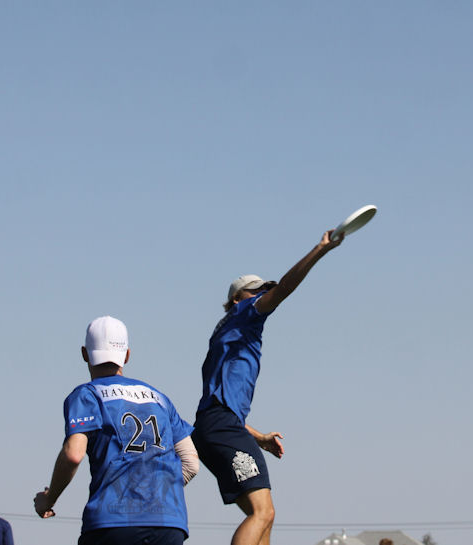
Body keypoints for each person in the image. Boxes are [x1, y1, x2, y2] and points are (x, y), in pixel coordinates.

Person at [194, 228, 344, 545]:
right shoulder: (244, 313)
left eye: (264, 291)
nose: (263, 295)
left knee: (264, 516)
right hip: (221, 427)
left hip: (214, 428)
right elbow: (285, 288)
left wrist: (258, 437)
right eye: (256, 292)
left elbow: (217, 408)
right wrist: (320, 250)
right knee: (263, 513)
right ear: (236, 299)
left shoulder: (224, 337)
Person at [33, 315, 199, 545]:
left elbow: (73, 455)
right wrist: (154, 495)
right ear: (127, 355)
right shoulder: (159, 398)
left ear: (84, 354)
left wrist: (49, 499)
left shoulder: (87, 395)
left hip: (113, 522)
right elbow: (191, 463)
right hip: (169, 523)